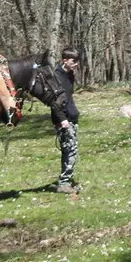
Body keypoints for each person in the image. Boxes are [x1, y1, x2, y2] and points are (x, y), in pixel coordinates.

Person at [52, 47, 81, 193]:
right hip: (64, 120)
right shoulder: (56, 76)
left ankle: (67, 180)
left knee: (72, 150)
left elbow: (68, 98)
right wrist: (62, 120)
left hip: (72, 116)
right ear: (65, 60)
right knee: (69, 150)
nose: (76, 64)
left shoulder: (70, 75)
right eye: (73, 61)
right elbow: (54, 102)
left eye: (77, 61)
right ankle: (64, 184)